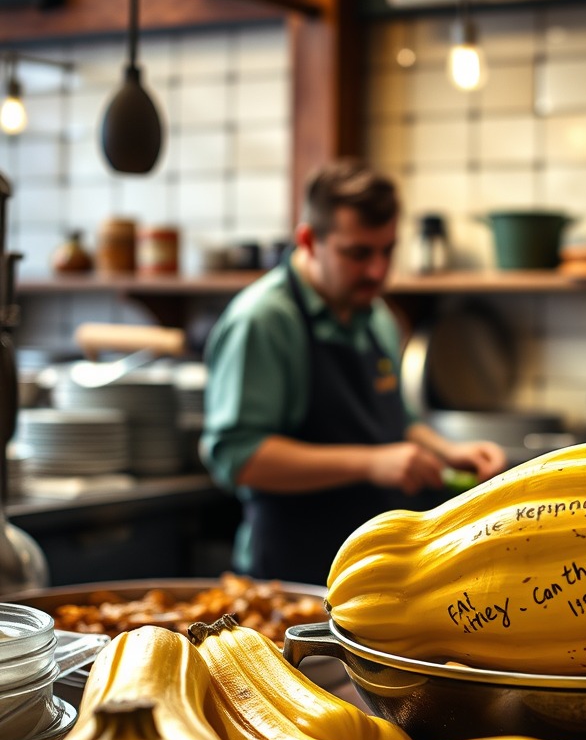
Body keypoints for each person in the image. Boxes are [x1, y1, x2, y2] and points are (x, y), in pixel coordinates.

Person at [201, 159, 507, 585]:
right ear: (309, 240)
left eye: (387, 251)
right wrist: (371, 463)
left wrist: (448, 451)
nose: (378, 271)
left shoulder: (377, 316)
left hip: (375, 571)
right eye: (358, 253)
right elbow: (240, 457)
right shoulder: (264, 321)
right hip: (291, 573)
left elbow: (397, 421)